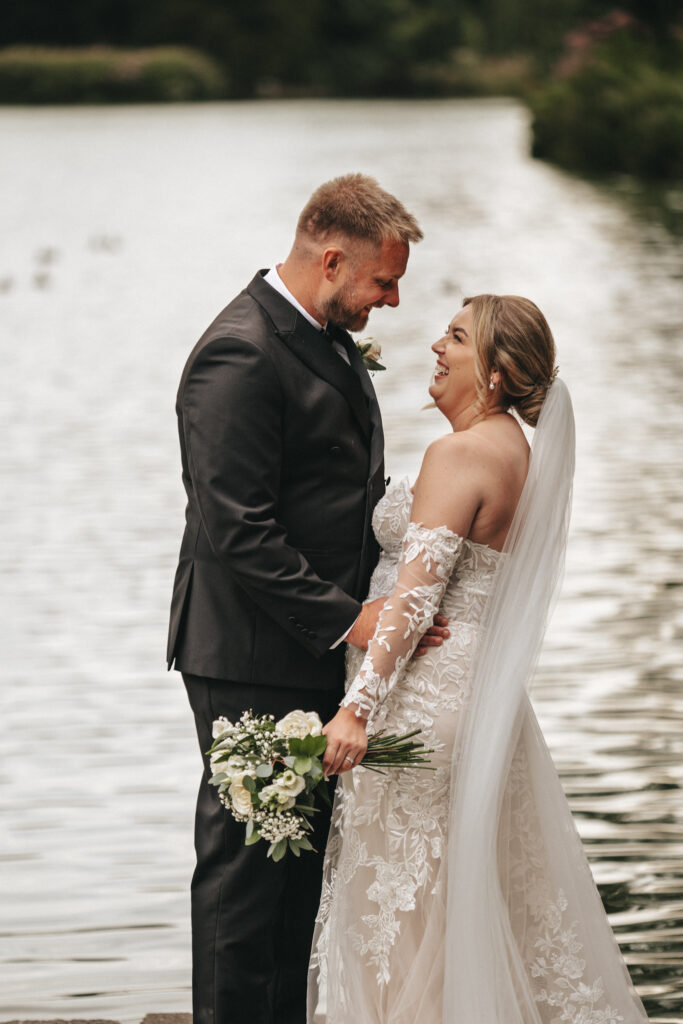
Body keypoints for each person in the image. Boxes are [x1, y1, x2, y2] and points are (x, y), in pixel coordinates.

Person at [309, 295, 649, 1023]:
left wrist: (353, 712)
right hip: (477, 701)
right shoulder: (515, 453)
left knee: (403, 914)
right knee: (463, 903)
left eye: (455, 337)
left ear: (493, 375)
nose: (435, 346)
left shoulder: (460, 454)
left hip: (422, 704)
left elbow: (413, 603)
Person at [167, 173, 448, 1024]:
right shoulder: (240, 353)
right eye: (382, 282)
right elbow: (235, 526)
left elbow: (334, 489)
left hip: (309, 649)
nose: (392, 301)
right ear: (331, 259)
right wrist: (350, 619)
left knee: (299, 870)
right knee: (246, 873)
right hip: (250, 652)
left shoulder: (320, 334)